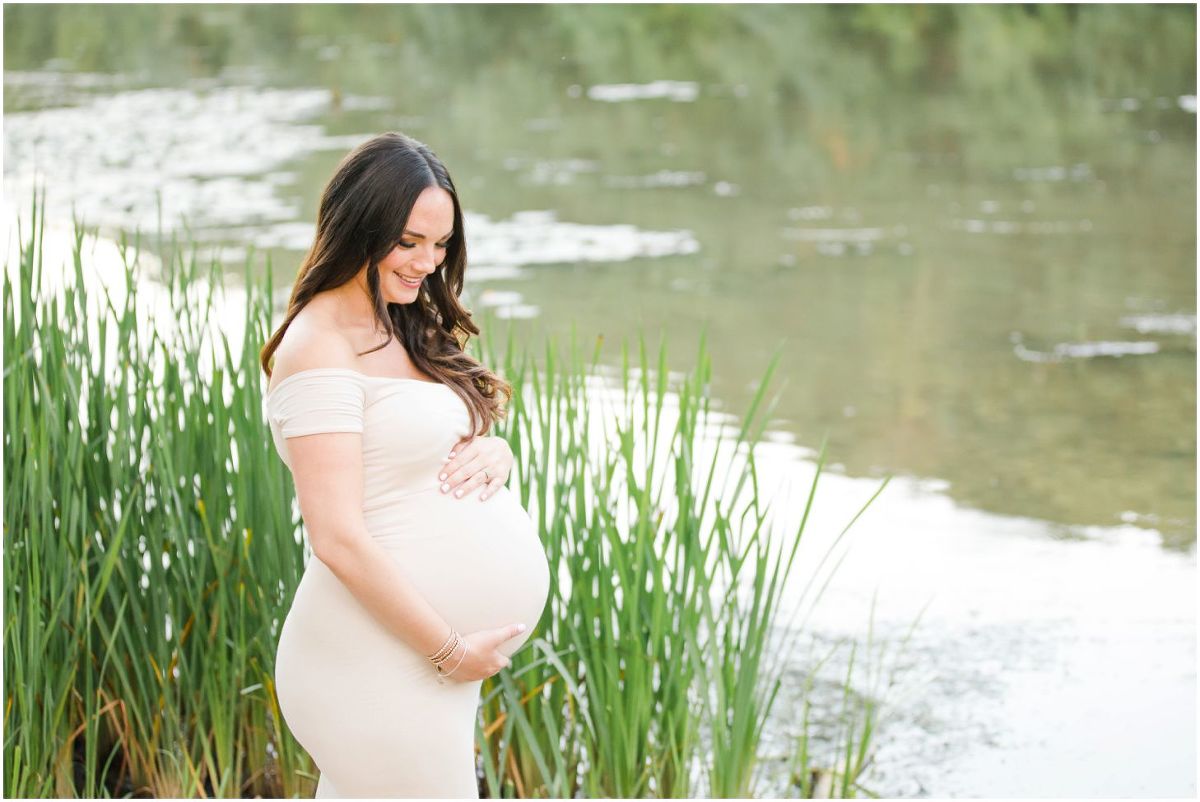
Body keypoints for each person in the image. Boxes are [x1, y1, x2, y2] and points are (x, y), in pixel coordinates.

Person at [258, 132, 551, 798]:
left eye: (441, 244)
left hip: (422, 659)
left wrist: (496, 451)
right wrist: (449, 651)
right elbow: (335, 536)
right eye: (409, 242)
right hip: (376, 661)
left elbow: (417, 451)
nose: (428, 262)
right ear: (359, 228)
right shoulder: (318, 347)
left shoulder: (401, 324)